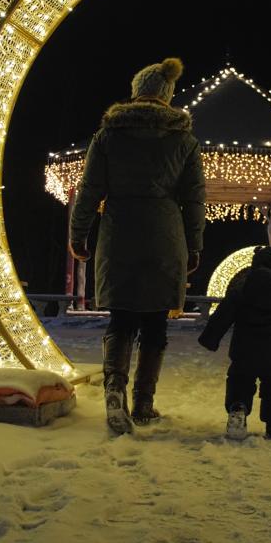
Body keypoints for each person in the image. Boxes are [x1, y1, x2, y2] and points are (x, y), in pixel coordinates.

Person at [70, 57, 205, 436]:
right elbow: (194, 198)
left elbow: (89, 191)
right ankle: (144, 403)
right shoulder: (184, 140)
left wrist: (78, 233)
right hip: (166, 235)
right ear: (166, 95)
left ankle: (115, 388)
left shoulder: (108, 136)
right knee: (156, 321)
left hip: (118, 233)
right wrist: (194, 244)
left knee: (122, 318)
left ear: (135, 93)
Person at [197, 246, 271, 440]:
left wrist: (210, 338)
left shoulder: (242, 287)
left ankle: (237, 411)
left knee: (240, 383)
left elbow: (222, 315)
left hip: (244, 352)